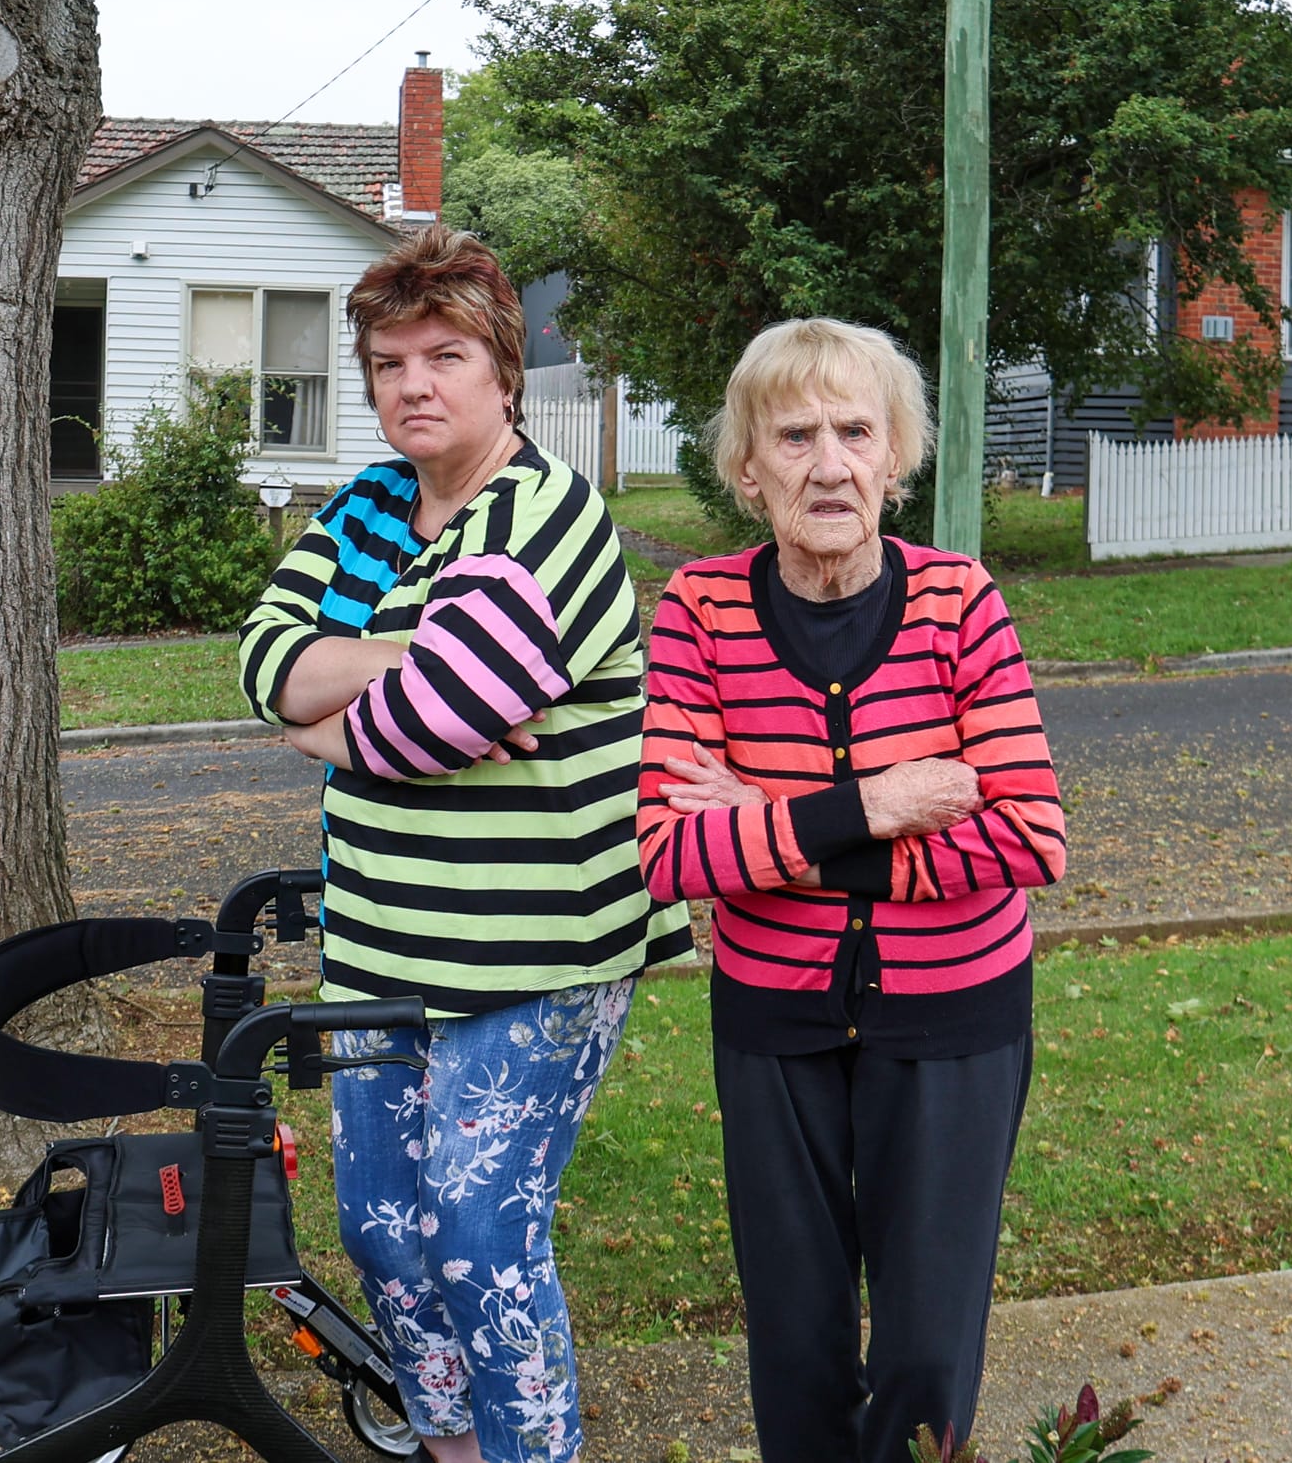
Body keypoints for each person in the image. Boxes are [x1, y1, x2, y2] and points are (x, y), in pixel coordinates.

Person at [240, 224, 693, 1463]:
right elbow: (264, 662)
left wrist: (333, 714)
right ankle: (447, 1446)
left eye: (444, 357)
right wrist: (406, 655)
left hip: (537, 948)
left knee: (480, 1234)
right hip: (380, 941)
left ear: (503, 370)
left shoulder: (547, 514)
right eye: (388, 364)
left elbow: (431, 721)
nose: (413, 386)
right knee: (383, 1232)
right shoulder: (369, 508)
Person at [635, 318, 1066, 1463]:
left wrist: (769, 820)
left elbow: (1028, 837)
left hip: (953, 1017)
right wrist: (874, 803)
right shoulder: (698, 609)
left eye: (853, 433)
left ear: (894, 457)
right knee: (796, 1344)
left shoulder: (957, 601)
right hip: (774, 1020)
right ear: (746, 469)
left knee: (925, 1348)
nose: (827, 465)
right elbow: (669, 855)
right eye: (794, 437)